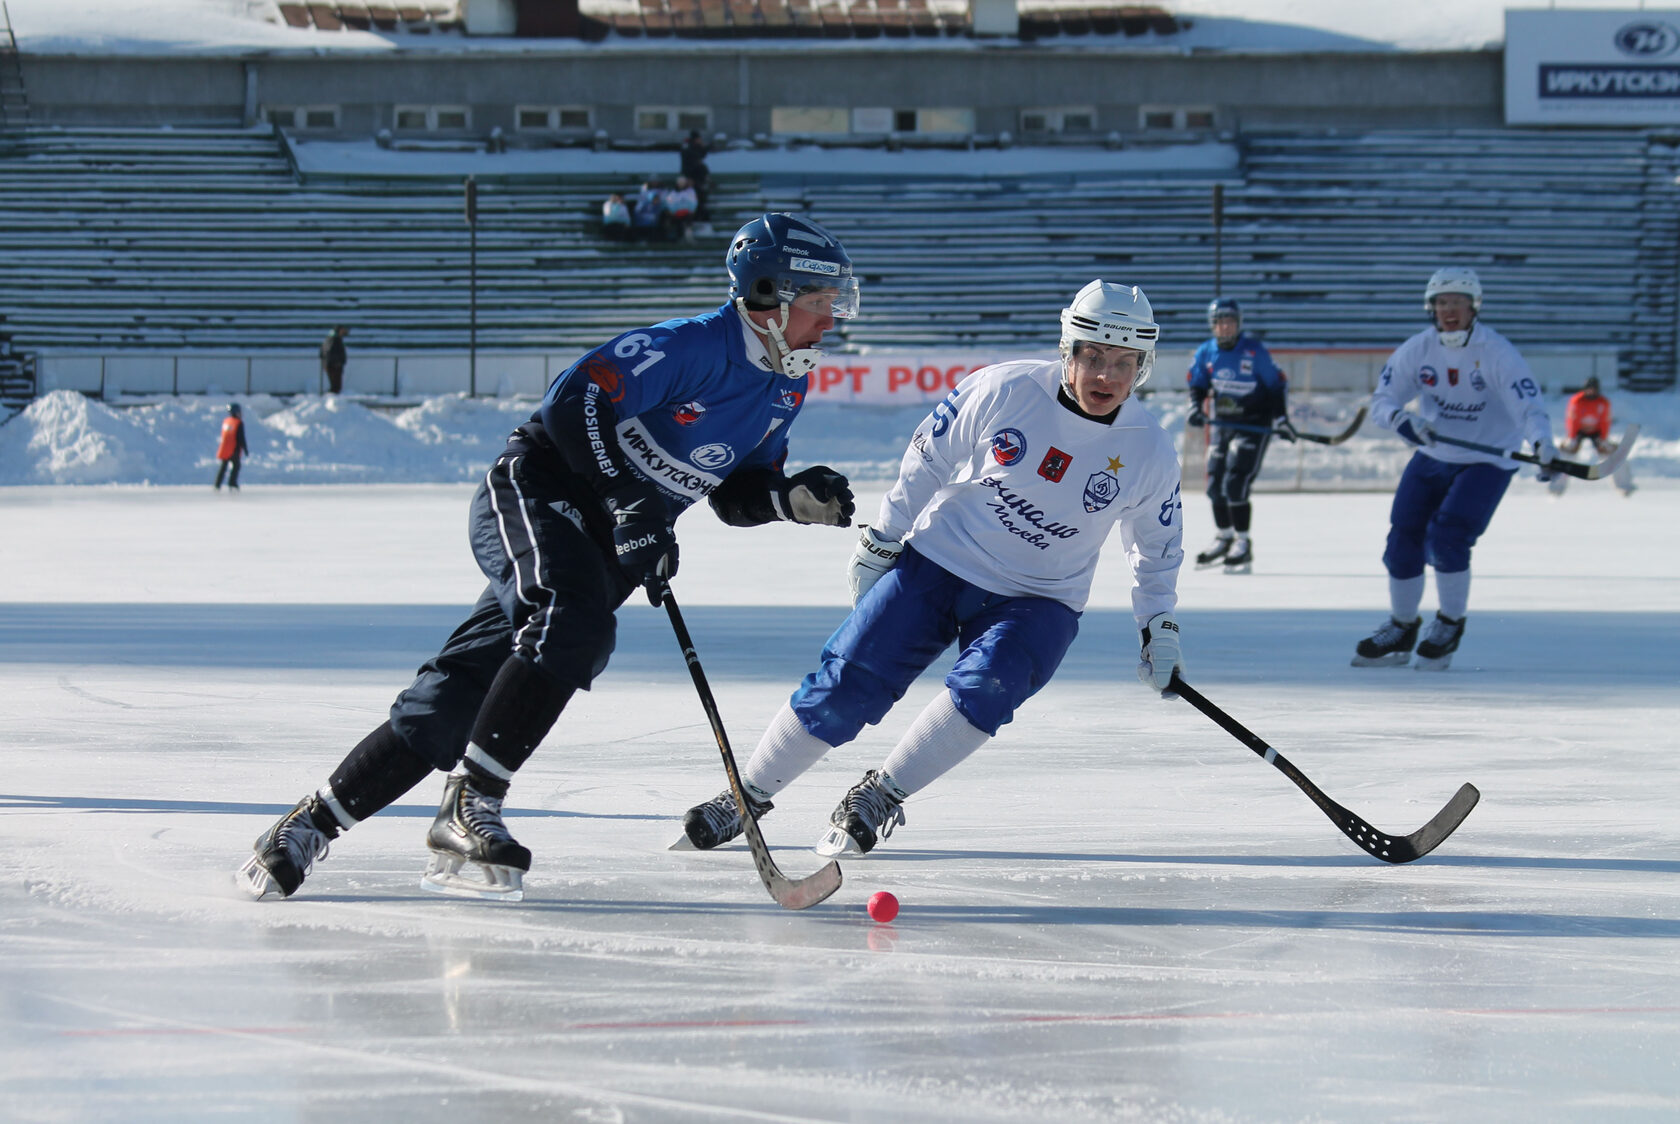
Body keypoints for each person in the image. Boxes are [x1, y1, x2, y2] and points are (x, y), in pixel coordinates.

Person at [237, 213, 862, 901]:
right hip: (540, 486)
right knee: (572, 620)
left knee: (460, 695)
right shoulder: (695, 346)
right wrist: (628, 498)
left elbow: (732, 493)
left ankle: (308, 823)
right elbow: (578, 399)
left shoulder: (787, 385)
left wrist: (787, 498)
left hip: (610, 541)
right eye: (818, 303)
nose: (829, 322)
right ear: (771, 296)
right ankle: (470, 803)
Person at [679, 279, 1185, 858]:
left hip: (1040, 598)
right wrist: (883, 542)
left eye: (1124, 363)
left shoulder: (1149, 449)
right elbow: (928, 456)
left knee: (990, 688)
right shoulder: (1005, 387)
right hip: (942, 561)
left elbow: (1156, 548)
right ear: (1068, 349)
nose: (1106, 377)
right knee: (848, 680)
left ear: (1141, 367)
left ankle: (880, 795)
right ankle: (745, 798)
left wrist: (1159, 627)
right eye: (1094, 356)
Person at [1352, 267, 1554, 671]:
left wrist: (1543, 441)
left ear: (1473, 307)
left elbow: (1528, 404)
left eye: (1458, 303)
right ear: (1431, 308)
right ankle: (1403, 627)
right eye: (1442, 303)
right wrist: (1401, 420)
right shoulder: (1419, 349)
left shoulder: (1496, 351)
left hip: (1488, 458)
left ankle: (1449, 624)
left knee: (1447, 536)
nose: (1449, 311)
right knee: (1402, 539)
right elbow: (1382, 401)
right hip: (1434, 454)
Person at [1185, 297, 1292, 574]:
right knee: (1214, 484)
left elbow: (1276, 386)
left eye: (1230, 321)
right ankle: (1224, 537)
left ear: (1238, 323)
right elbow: (1197, 384)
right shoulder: (1206, 352)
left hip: (1254, 423)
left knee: (1235, 482)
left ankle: (1243, 543)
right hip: (1223, 423)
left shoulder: (1254, 352)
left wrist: (1281, 419)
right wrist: (1196, 408)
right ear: (1213, 325)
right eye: (1220, 322)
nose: (1225, 327)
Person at [1550, 375, 1634, 497]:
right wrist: (1573, 438)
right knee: (1566, 454)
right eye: (1588, 388)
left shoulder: (1603, 402)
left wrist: (1603, 439)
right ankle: (1556, 487)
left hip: (1597, 432)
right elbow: (1572, 419)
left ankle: (1623, 485)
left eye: (1593, 389)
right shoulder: (1577, 401)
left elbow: (1605, 421)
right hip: (1578, 431)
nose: (1591, 391)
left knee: (1612, 453)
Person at [212, 402, 249, 491]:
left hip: (225, 448)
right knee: (236, 466)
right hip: (234, 448)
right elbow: (241, 437)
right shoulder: (238, 423)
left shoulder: (226, 421)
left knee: (224, 466)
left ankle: (217, 483)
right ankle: (232, 482)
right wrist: (245, 448)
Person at [679, 129, 711, 219]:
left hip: (697, 178)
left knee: (700, 198)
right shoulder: (688, 148)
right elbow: (691, 161)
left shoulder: (693, 147)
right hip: (690, 178)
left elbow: (702, 155)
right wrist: (688, 178)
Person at [665, 176, 699, 242]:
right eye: (680, 183)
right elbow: (669, 204)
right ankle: (678, 238)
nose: (681, 184)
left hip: (688, 213)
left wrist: (691, 210)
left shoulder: (690, 191)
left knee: (688, 220)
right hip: (676, 213)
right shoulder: (673, 193)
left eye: (683, 182)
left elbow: (694, 203)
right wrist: (673, 211)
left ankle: (689, 237)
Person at [320, 326, 348, 395]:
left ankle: (333, 398)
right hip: (334, 365)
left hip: (332, 364)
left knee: (335, 385)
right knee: (336, 385)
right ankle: (332, 399)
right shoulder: (334, 339)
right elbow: (330, 352)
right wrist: (337, 362)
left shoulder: (330, 339)